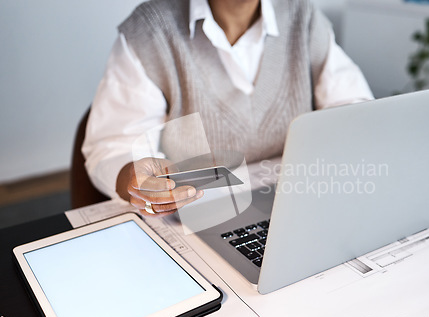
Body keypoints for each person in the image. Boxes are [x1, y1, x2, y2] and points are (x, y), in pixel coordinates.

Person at [82, 0, 374, 217]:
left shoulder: (303, 16)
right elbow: (114, 147)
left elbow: (355, 112)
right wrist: (134, 176)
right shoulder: (151, 30)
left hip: (292, 207)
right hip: (193, 215)